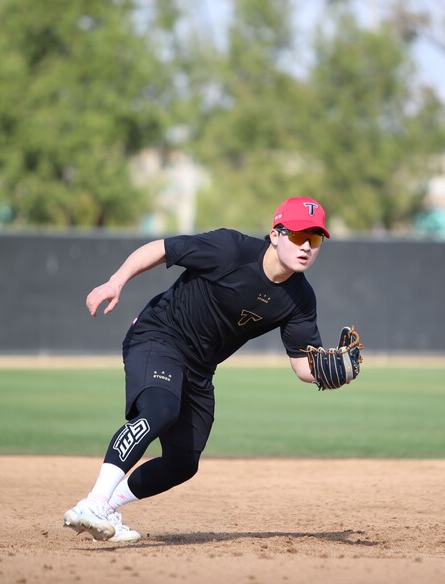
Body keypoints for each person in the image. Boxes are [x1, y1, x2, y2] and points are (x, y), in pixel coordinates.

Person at [63, 196, 361, 543]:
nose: (306, 246)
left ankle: (104, 507)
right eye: (297, 236)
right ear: (275, 235)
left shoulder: (300, 299)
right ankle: (95, 501)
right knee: (161, 409)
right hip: (158, 336)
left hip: (200, 368)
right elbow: (161, 248)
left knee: (183, 463)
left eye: (315, 239)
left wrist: (331, 373)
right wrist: (116, 282)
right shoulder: (230, 249)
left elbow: (301, 364)